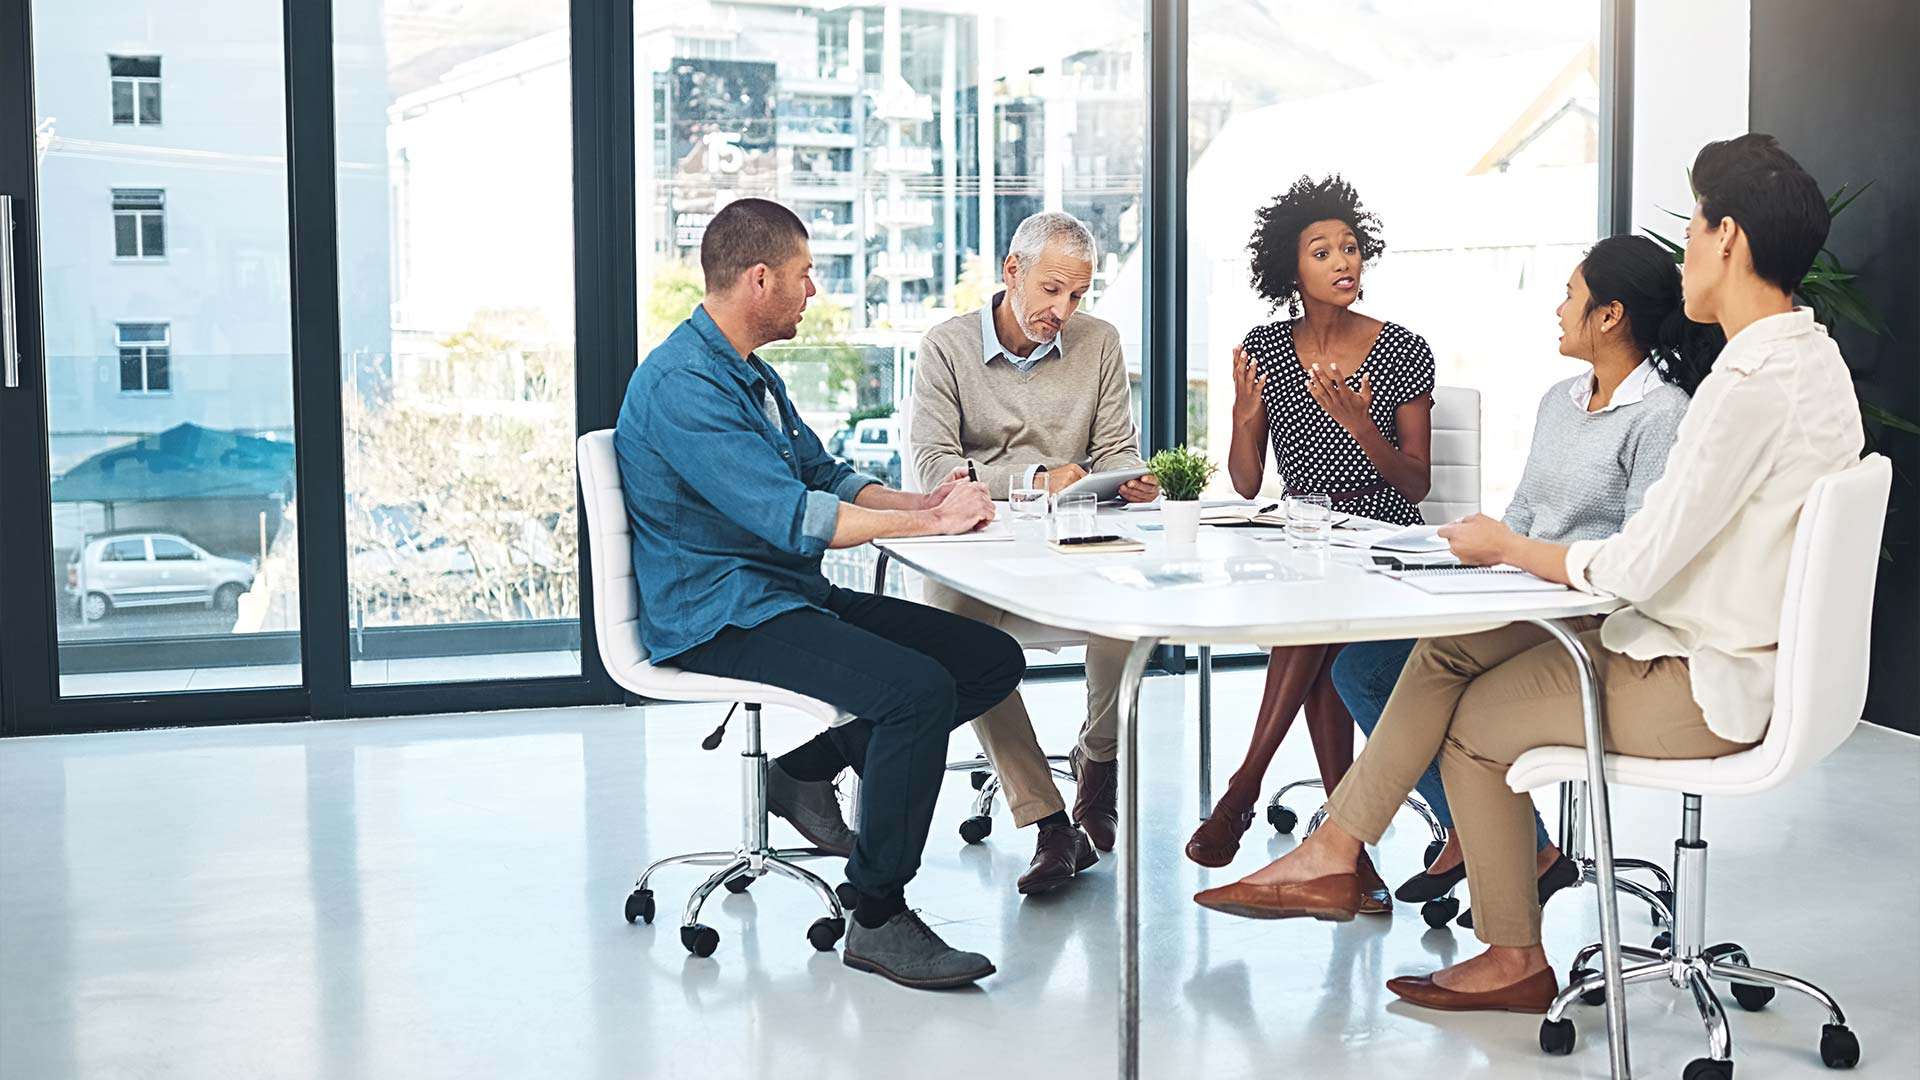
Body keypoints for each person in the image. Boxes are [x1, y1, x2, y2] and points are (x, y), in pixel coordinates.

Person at [1195, 134, 1863, 1016]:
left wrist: (1511, 553)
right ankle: (1340, 855)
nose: (1690, 250)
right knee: (1441, 654)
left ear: (1728, 237)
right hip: (1723, 648)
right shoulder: (1805, 362)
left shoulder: (1742, 391)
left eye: (1697, 230)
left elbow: (1638, 563)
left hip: (1705, 677)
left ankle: (1495, 945)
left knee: (1471, 722)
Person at [615, 198, 1027, 990]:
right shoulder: (682, 385)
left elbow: (823, 475)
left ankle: (804, 770)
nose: (813, 294)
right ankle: (876, 916)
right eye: (805, 277)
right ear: (759, 277)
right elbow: (794, 516)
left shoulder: (748, 373)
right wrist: (933, 531)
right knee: (913, 694)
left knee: (985, 657)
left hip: (781, 593)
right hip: (720, 614)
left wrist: (924, 502)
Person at [1333, 233, 1720, 928]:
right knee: (1361, 668)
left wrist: (1514, 552)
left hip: (1587, 617)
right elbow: (1524, 514)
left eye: (1571, 295)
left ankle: (1341, 848)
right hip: (1519, 597)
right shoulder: (1558, 400)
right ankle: (1484, 837)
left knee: (1448, 679)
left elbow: (1637, 559)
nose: (1558, 308)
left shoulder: (1665, 415)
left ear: (1610, 315)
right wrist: (1467, 553)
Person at [1185, 177, 1434, 910]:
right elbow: (1245, 479)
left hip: (1384, 537)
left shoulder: (1404, 350)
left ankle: (1245, 785)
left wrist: (1362, 427)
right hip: (1303, 538)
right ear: (1292, 270)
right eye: (1323, 251)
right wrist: (1241, 412)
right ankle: (1346, 855)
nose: (1342, 261)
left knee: (1314, 629)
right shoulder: (1264, 350)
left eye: (1351, 248)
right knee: (1318, 641)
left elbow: (1415, 485)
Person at [912, 211, 1160, 894]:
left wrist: (1129, 475)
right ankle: (1052, 823)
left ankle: (1098, 761)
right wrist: (1030, 483)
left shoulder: (1098, 342)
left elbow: (1112, 447)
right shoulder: (946, 347)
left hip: (1071, 537)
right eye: (1052, 290)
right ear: (1011, 270)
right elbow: (932, 468)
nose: (1064, 310)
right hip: (980, 542)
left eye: (1078, 295)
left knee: (1131, 609)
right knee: (955, 641)